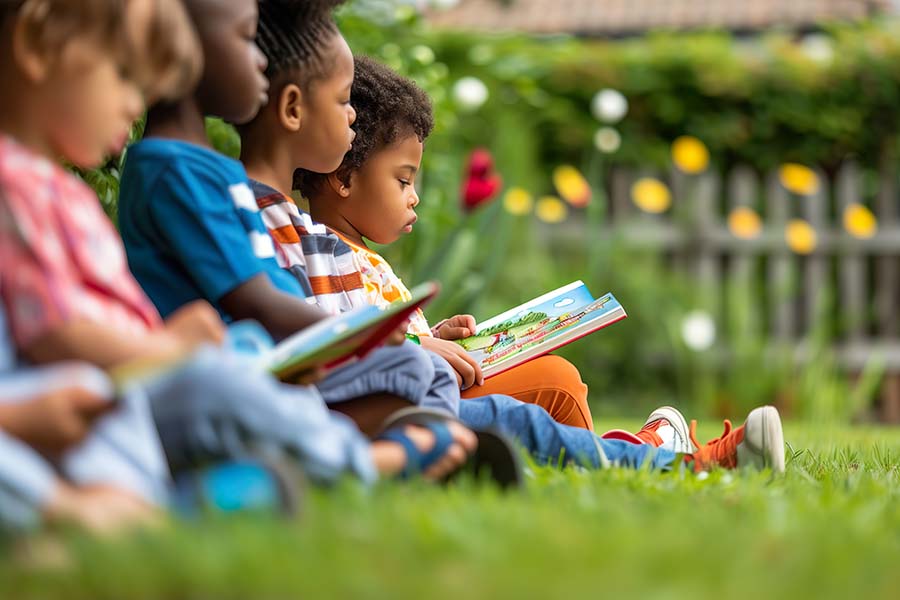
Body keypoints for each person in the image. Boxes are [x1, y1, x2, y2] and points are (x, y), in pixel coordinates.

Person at [236, 2, 785, 474]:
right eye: (403, 180)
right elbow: (332, 335)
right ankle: (657, 457)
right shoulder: (304, 240)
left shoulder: (334, 247)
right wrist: (416, 344)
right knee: (554, 385)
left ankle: (633, 454)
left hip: (412, 390)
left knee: (557, 379)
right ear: (344, 178)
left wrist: (434, 332)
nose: (414, 196)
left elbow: (360, 329)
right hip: (392, 404)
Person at [0, 0, 480, 506]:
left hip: (139, 384)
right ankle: (363, 462)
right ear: (36, 46)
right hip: (115, 387)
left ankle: (218, 494)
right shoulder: (22, 187)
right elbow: (56, 334)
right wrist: (167, 347)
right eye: (123, 72)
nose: (135, 98)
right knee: (220, 379)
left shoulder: (56, 190)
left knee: (248, 362)